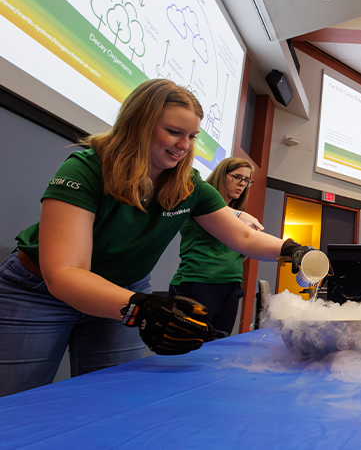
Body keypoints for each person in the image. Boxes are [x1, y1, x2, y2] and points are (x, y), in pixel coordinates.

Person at [0, 79, 311, 398]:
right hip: (38, 291)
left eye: (192, 136)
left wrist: (291, 250)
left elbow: (244, 237)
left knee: (112, 399)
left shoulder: (188, 185)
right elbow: (65, 272)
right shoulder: (88, 169)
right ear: (139, 125)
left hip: (125, 289)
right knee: (13, 400)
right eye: (174, 132)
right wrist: (142, 308)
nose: (185, 145)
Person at [168, 157, 263, 338]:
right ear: (222, 175)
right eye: (237, 177)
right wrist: (239, 214)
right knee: (184, 346)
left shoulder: (236, 213)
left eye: (246, 180)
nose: (242, 184)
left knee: (217, 347)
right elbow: (211, 207)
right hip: (197, 284)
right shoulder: (199, 199)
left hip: (230, 287)